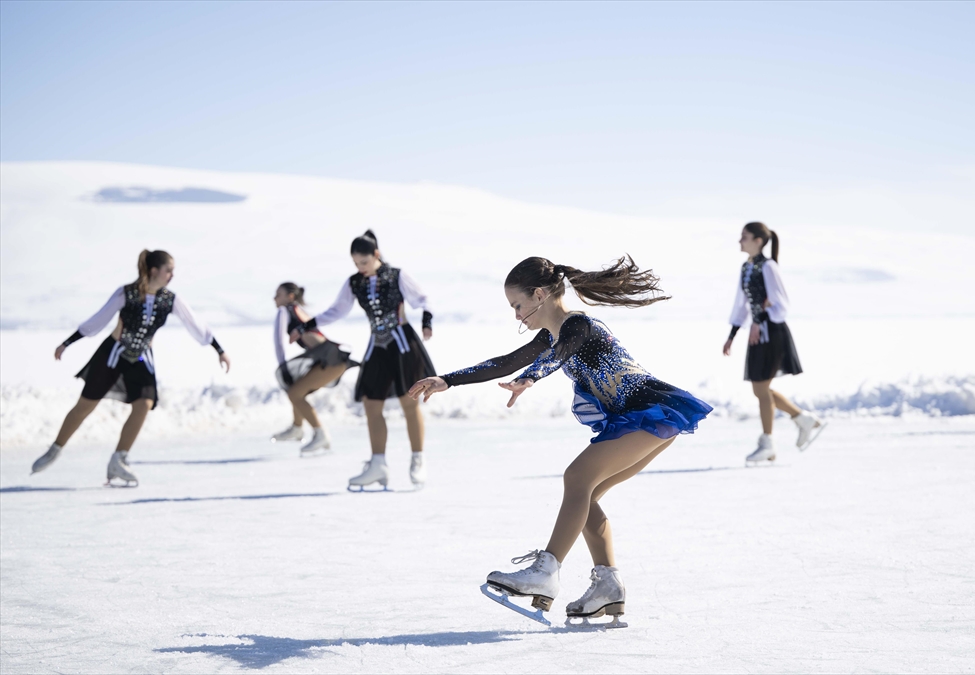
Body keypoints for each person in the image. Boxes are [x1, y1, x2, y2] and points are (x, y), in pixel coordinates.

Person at [408, 256, 711, 625]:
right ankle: (608, 587)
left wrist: (532, 377)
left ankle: (545, 572)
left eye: (518, 305)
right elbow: (506, 361)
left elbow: (559, 354)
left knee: (577, 480)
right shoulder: (551, 335)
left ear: (539, 294)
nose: (517, 314)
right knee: (585, 498)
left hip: (650, 412)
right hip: (640, 419)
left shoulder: (578, 324)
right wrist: (448, 380)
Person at [30, 250, 231, 486]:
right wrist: (67, 342)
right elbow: (98, 320)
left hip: (142, 358)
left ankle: (119, 459)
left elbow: (195, 324)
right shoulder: (127, 293)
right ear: (155, 271)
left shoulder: (170, 299)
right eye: (169, 270)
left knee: (145, 403)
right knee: (85, 406)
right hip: (112, 355)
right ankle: (56, 448)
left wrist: (218, 349)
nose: (172, 275)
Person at [300, 230, 435, 489]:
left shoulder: (396, 275)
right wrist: (310, 323)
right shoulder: (355, 283)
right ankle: (378, 464)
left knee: (410, 401)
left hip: (403, 344)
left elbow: (423, 299)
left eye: (363, 262)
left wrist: (427, 321)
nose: (360, 268)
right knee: (371, 404)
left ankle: (418, 459)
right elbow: (338, 309)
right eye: (355, 264)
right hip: (378, 346)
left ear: (376, 255)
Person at [722, 222, 822, 464]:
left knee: (760, 389)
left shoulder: (768, 267)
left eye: (744, 237)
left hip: (773, 333)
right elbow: (742, 305)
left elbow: (781, 305)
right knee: (761, 389)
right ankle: (802, 419)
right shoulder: (746, 267)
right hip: (758, 333)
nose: (740, 241)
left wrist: (760, 321)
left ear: (758, 240)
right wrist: (733, 334)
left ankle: (768, 442)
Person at [270, 282, 359, 455]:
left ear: (290, 297)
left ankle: (320, 434)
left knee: (294, 393)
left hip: (329, 359)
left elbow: (279, 341)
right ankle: (297, 427)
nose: (274, 298)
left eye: (278, 294)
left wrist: (283, 366)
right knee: (296, 390)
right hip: (330, 357)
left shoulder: (284, 311)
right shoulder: (297, 310)